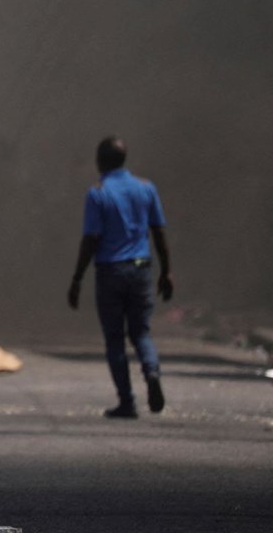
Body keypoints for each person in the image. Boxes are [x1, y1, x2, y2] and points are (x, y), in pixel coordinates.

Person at [67, 136, 173, 419]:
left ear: (100, 162)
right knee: (141, 332)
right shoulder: (146, 188)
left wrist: (77, 277)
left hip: (110, 272)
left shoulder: (98, 193)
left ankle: (127, 401)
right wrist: (167, 271)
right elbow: (159, 232)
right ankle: (151, 372)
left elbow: (91, 238)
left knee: (115, 339)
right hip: (141, 269)